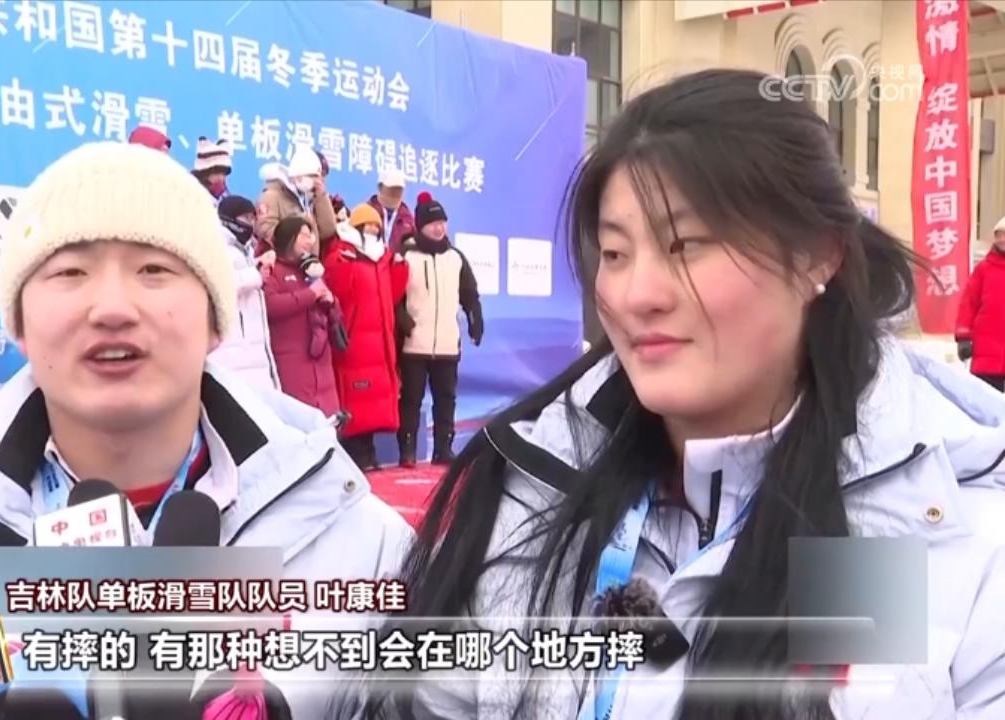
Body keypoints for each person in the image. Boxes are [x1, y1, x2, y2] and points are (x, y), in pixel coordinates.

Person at [338, 69, 1005, 720]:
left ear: (816, 256)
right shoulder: (531, 484)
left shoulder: (938, 524)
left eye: (684, 246)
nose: (637, 296)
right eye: (616, 254)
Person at [0, 143, 414, 719]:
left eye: (154, 269)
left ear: (215, 321)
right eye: (70, 272)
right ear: (19, 323)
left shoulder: (369, 552)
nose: (113, 307)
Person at [395, 192, 484, 467]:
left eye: (442, 222)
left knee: (446, 399)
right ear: (421, 226)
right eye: (433, 223)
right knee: (411, 399)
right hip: (414, 343)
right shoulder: (406, 255)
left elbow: (469, 294)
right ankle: (407, 450)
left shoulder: (456, 258)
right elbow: (393, 295)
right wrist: (401, 318)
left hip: (446, 342)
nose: (439, 228)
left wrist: (475, 320)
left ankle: (443, 448)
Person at [322, 203, 409, 471]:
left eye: (376, 226)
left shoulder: (383, 257)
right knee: (356, 398)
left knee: (373, 401)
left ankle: (368, 452)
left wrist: (400, 270)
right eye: (367, 225)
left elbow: (392, 295)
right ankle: (356, 453)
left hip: (380, 340)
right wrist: (341, 266)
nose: (372, 230)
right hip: (355, 338)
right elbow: (340, 292)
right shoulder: (341, 253)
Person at [263, 216, 346, 417]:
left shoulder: (313, 270)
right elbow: (270, 305)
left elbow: (334, 312)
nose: (310, 241)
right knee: (300, 419)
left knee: (328, 421)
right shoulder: (273, 270)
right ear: (289, 238)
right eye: (304, 236)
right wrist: (310, 295)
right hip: (291, 361)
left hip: (321, 360)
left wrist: (331, 302)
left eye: (311, 236)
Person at [209, 195, 280, 392]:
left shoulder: (245, 249)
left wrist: (257, 264)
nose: (250, 224)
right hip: (230, 347)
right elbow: (217, 284)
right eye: (245, 218)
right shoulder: (216, 247)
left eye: (252, 218)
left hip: (253, 345)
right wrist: (256, 275)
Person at [254, 144, 338, 257]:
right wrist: (296, 241)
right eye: (313, 176)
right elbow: (265, 231)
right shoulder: (271, 196)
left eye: (320, 177)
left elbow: (327, 231)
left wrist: (321, 197)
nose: (318, 181)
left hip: (307, 262)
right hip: (280, 262)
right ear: (298, 175)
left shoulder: (308, 199)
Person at [955, 215, 1005, 391]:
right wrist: (963, 338)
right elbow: (968, 304)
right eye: (998, 235)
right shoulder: (983, 270)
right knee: (985, 402)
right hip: (986, 355)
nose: (1002, 239)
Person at [366, 168, 416, 252]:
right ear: (380, 187)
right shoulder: (365, 213)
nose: (396, 192)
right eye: (391, 188)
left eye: (399, 189)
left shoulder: (409, 221)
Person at [191, 136, 232, 205]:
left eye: (224, 173)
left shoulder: (224, 196)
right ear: (205, 173)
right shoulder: (190, 192)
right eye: (216, 172)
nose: (221, 178)